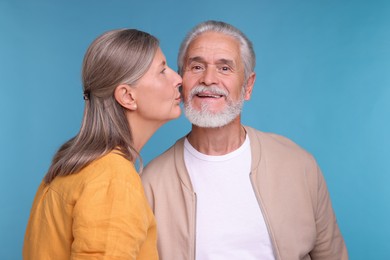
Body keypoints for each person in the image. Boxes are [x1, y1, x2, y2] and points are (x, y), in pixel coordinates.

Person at [141, 20, 348, 260]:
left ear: (248, 86)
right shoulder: (151, 183)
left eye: (225, 68)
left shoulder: (299, 165)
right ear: (181, 83)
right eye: (196, 67)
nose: (208, 79)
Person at [23, 28, 182, 259]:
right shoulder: (113, 178)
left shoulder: (72, 165)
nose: (178, 78)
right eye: (162, 71)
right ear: (128, 96)